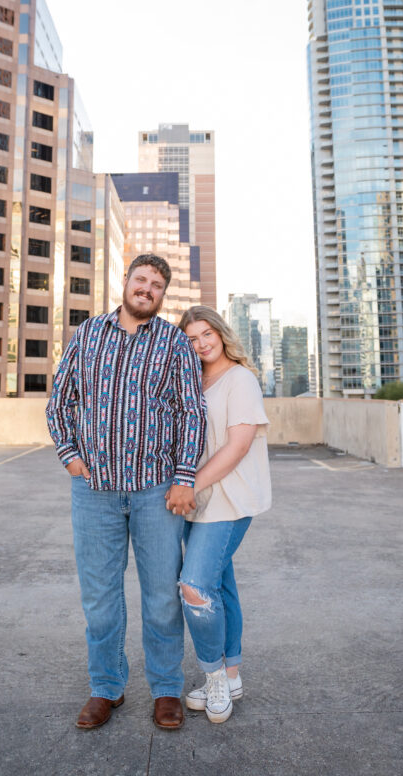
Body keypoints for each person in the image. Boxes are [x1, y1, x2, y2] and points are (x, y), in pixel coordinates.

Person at [46, 254, 206, 731]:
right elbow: (60, 400)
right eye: (141, 279)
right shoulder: (88, 335)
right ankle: (106, 687)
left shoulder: (175, 343)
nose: (147, 289)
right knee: (100, 597)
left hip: (156, 490)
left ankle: (165, 689)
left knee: (161, 597)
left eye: (157, 284)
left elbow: (191, 413)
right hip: (94, 490)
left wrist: (183, 477)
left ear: (162, 294)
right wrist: (69, 454)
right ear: (125, 282)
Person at [166, 305, 271, 724]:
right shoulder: (195, 379)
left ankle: (213, 677)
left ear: (221, 333)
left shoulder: (240, 379)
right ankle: (232, 674)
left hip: (230, 498)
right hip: (203, 501)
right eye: (191, 338)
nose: (201, 343)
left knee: (194, 587)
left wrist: (189, 484)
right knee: (221, 586)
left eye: (206, 333)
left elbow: (237, 446)